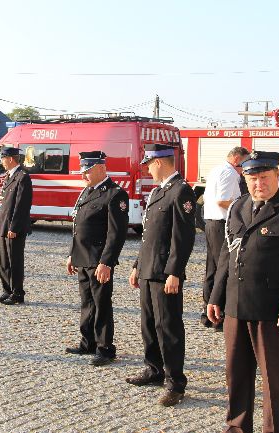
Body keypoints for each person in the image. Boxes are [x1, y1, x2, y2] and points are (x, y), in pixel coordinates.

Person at [207, 151, 279, 433]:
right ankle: (236, 427)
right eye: (252, 178)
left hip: (272, 313)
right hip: (236, 307)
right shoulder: (238, 207)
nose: (259, 184)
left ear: (277, 175)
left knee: (276, 381)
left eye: (264, 177)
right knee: (236, 376)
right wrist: (216, 296)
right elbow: (227, 255)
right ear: (245, 178)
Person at [127, 143, 196, 407]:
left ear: (159, 162)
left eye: (148, 165)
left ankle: (174, 382)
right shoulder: (159, 191)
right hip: (149, 269)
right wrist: (137, 265)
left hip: (165, 273)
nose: (146, 170)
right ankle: (153, 369)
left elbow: (183, 238)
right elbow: (149, 237)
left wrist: (175, 272)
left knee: (168, 328)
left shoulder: (180, 191)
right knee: (149, 325)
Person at [65, 151, 129, 366]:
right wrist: (72, 255)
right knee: (87, 303)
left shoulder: (114, 194)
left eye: (88, 171)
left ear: (101, 168)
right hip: (82, 258)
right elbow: (78, 226)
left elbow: (116, 233)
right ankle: (88, 342)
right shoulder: (87, 191)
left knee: (101, 305)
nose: (84, 176)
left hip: (99, 260)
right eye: (83, 171)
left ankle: (105, 348)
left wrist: (107, 262)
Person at [200, 146, 249, 330]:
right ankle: (217, 315)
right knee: (224, 270)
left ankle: (209, 313)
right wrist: (244, 208)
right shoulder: (229, 173)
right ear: (236, 159)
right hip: (221, 222)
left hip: (213, 222)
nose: (244, 169)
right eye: (243, 164)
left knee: (212, 269)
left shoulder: (218, 169)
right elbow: (223, 200)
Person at [0, 147, 33, 305]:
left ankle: (17, 293)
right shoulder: (9, 176)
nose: (1, 162)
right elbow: (4, 205)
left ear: (10, 159)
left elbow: (21, 206)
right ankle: (6, 290)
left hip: (14, 228)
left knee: (15, 261)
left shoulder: (23, 177)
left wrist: (13, 228)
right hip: (4, 225)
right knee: (4, 260)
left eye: (3, 158)